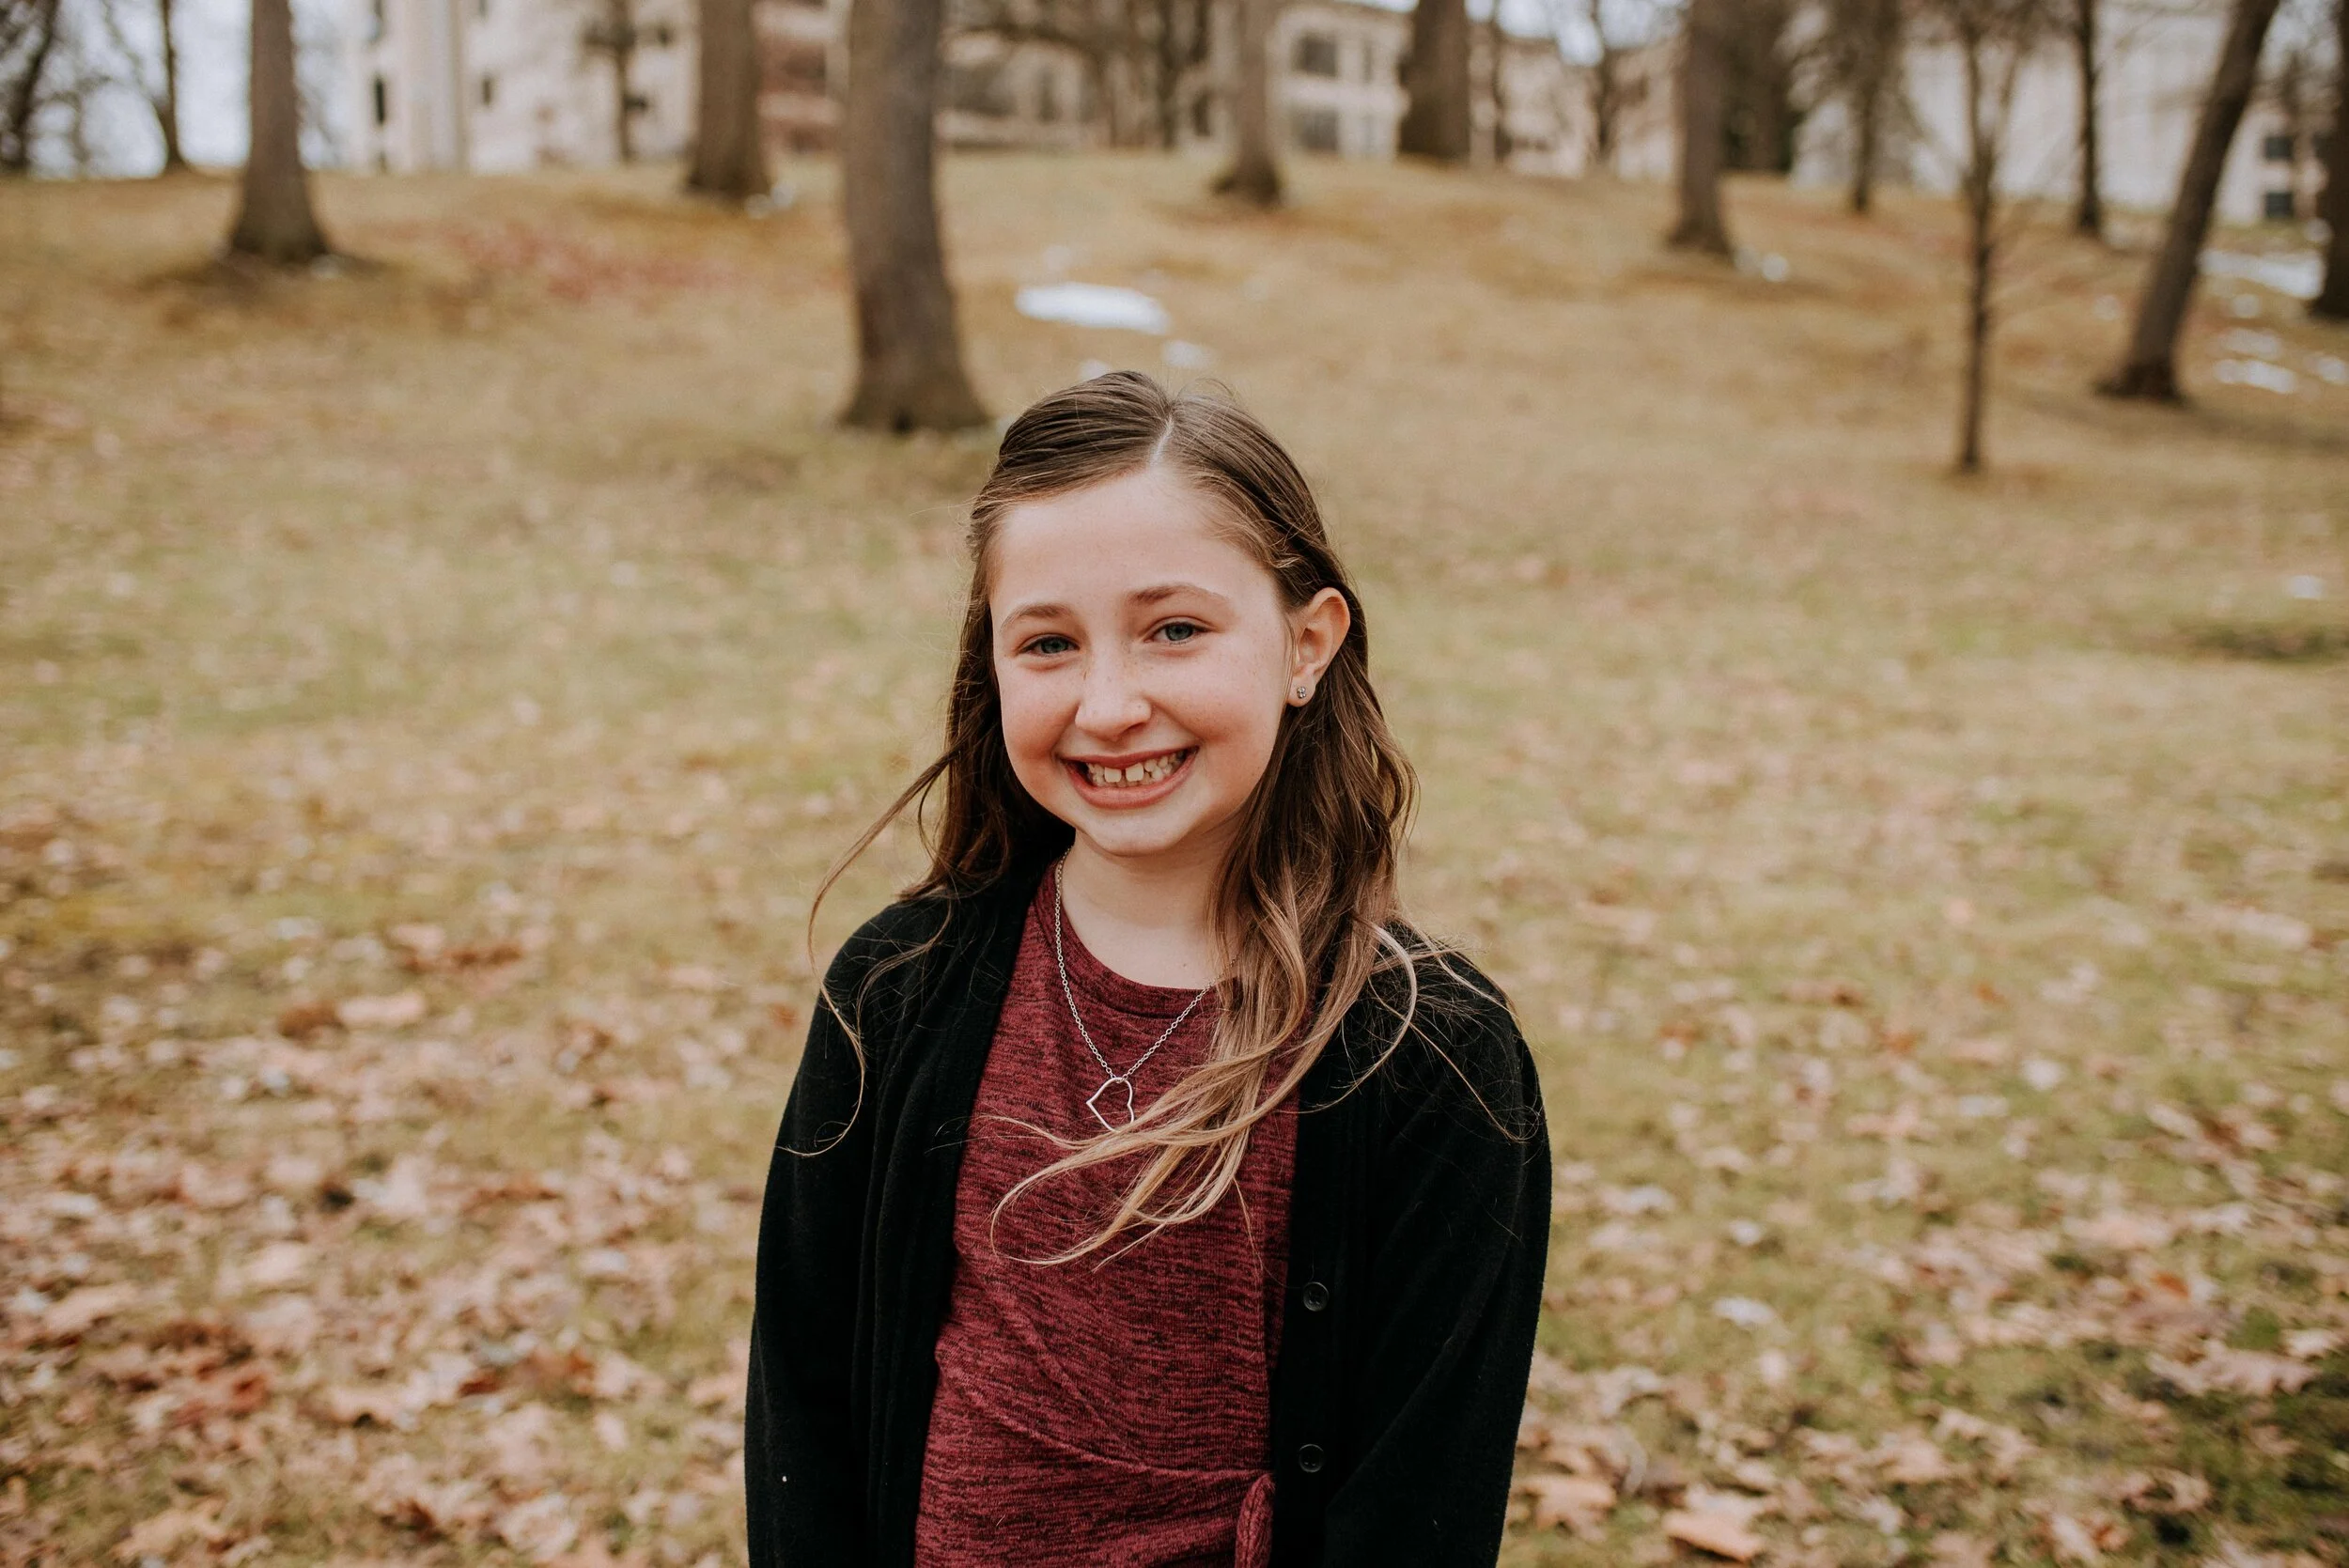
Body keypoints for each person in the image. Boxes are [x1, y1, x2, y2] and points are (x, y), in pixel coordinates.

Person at [744, 372, 1550, 1568]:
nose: (1110, 705)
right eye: (1049, 643)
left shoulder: (1432, 1054)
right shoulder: (895, 989)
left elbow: (1421, 1497)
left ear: (1306, 643)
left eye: (1174, 629)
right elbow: (801, 1399)